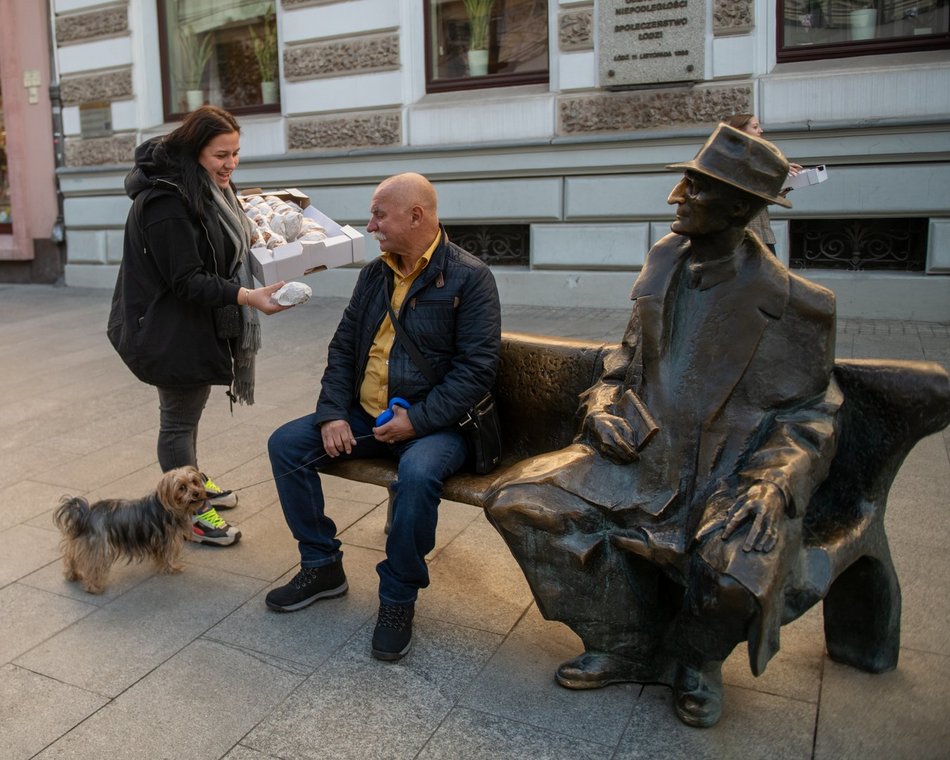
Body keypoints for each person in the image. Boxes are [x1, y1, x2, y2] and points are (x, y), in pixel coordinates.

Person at [484, 125, 842, 727]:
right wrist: (600, 405)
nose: (676, 196)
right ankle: (624, 642)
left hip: (731, 472)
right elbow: (623, 362)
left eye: (695, 189)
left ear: (737, 207)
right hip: (639, 457)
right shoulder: (665, 259)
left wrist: (773, 482)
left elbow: (812, 413)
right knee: (519, 500)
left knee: (737, 571)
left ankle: (695, 662)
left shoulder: (799, 304)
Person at [266, 172, 501, 661]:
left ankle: (398, 598)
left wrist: (416, 421)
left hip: (438, 425)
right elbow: (344, 350)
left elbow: (476, 371)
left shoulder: (470, 277)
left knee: (416, 475)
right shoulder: (374, 274)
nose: (370, 225)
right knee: (287, 445)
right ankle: (321, 564)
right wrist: (332, 414)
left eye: (379, 214)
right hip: (367, 415)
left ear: (416, 215)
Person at [107, 105, 289, 547]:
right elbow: (186, 279)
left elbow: (219, 239)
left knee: (187, 416)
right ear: (194, 152)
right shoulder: (166, 202)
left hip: (192, 324)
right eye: (220, 155)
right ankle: (188, 511)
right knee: (177, 423)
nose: (230, 164)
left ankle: (192, 484)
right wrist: (247, 296)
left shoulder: (203, 186)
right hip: (168, 329)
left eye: (236, 154)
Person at [724, 113, 802, 255]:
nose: (761, 130)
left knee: (771, 275)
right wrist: (777, 170)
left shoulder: (757, 157)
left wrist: (786, 183)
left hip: (761, 230)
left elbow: (764, 197)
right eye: (755, 127)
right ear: (740, 131)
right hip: (744, 234)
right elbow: (745, 192)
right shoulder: (733, 159)